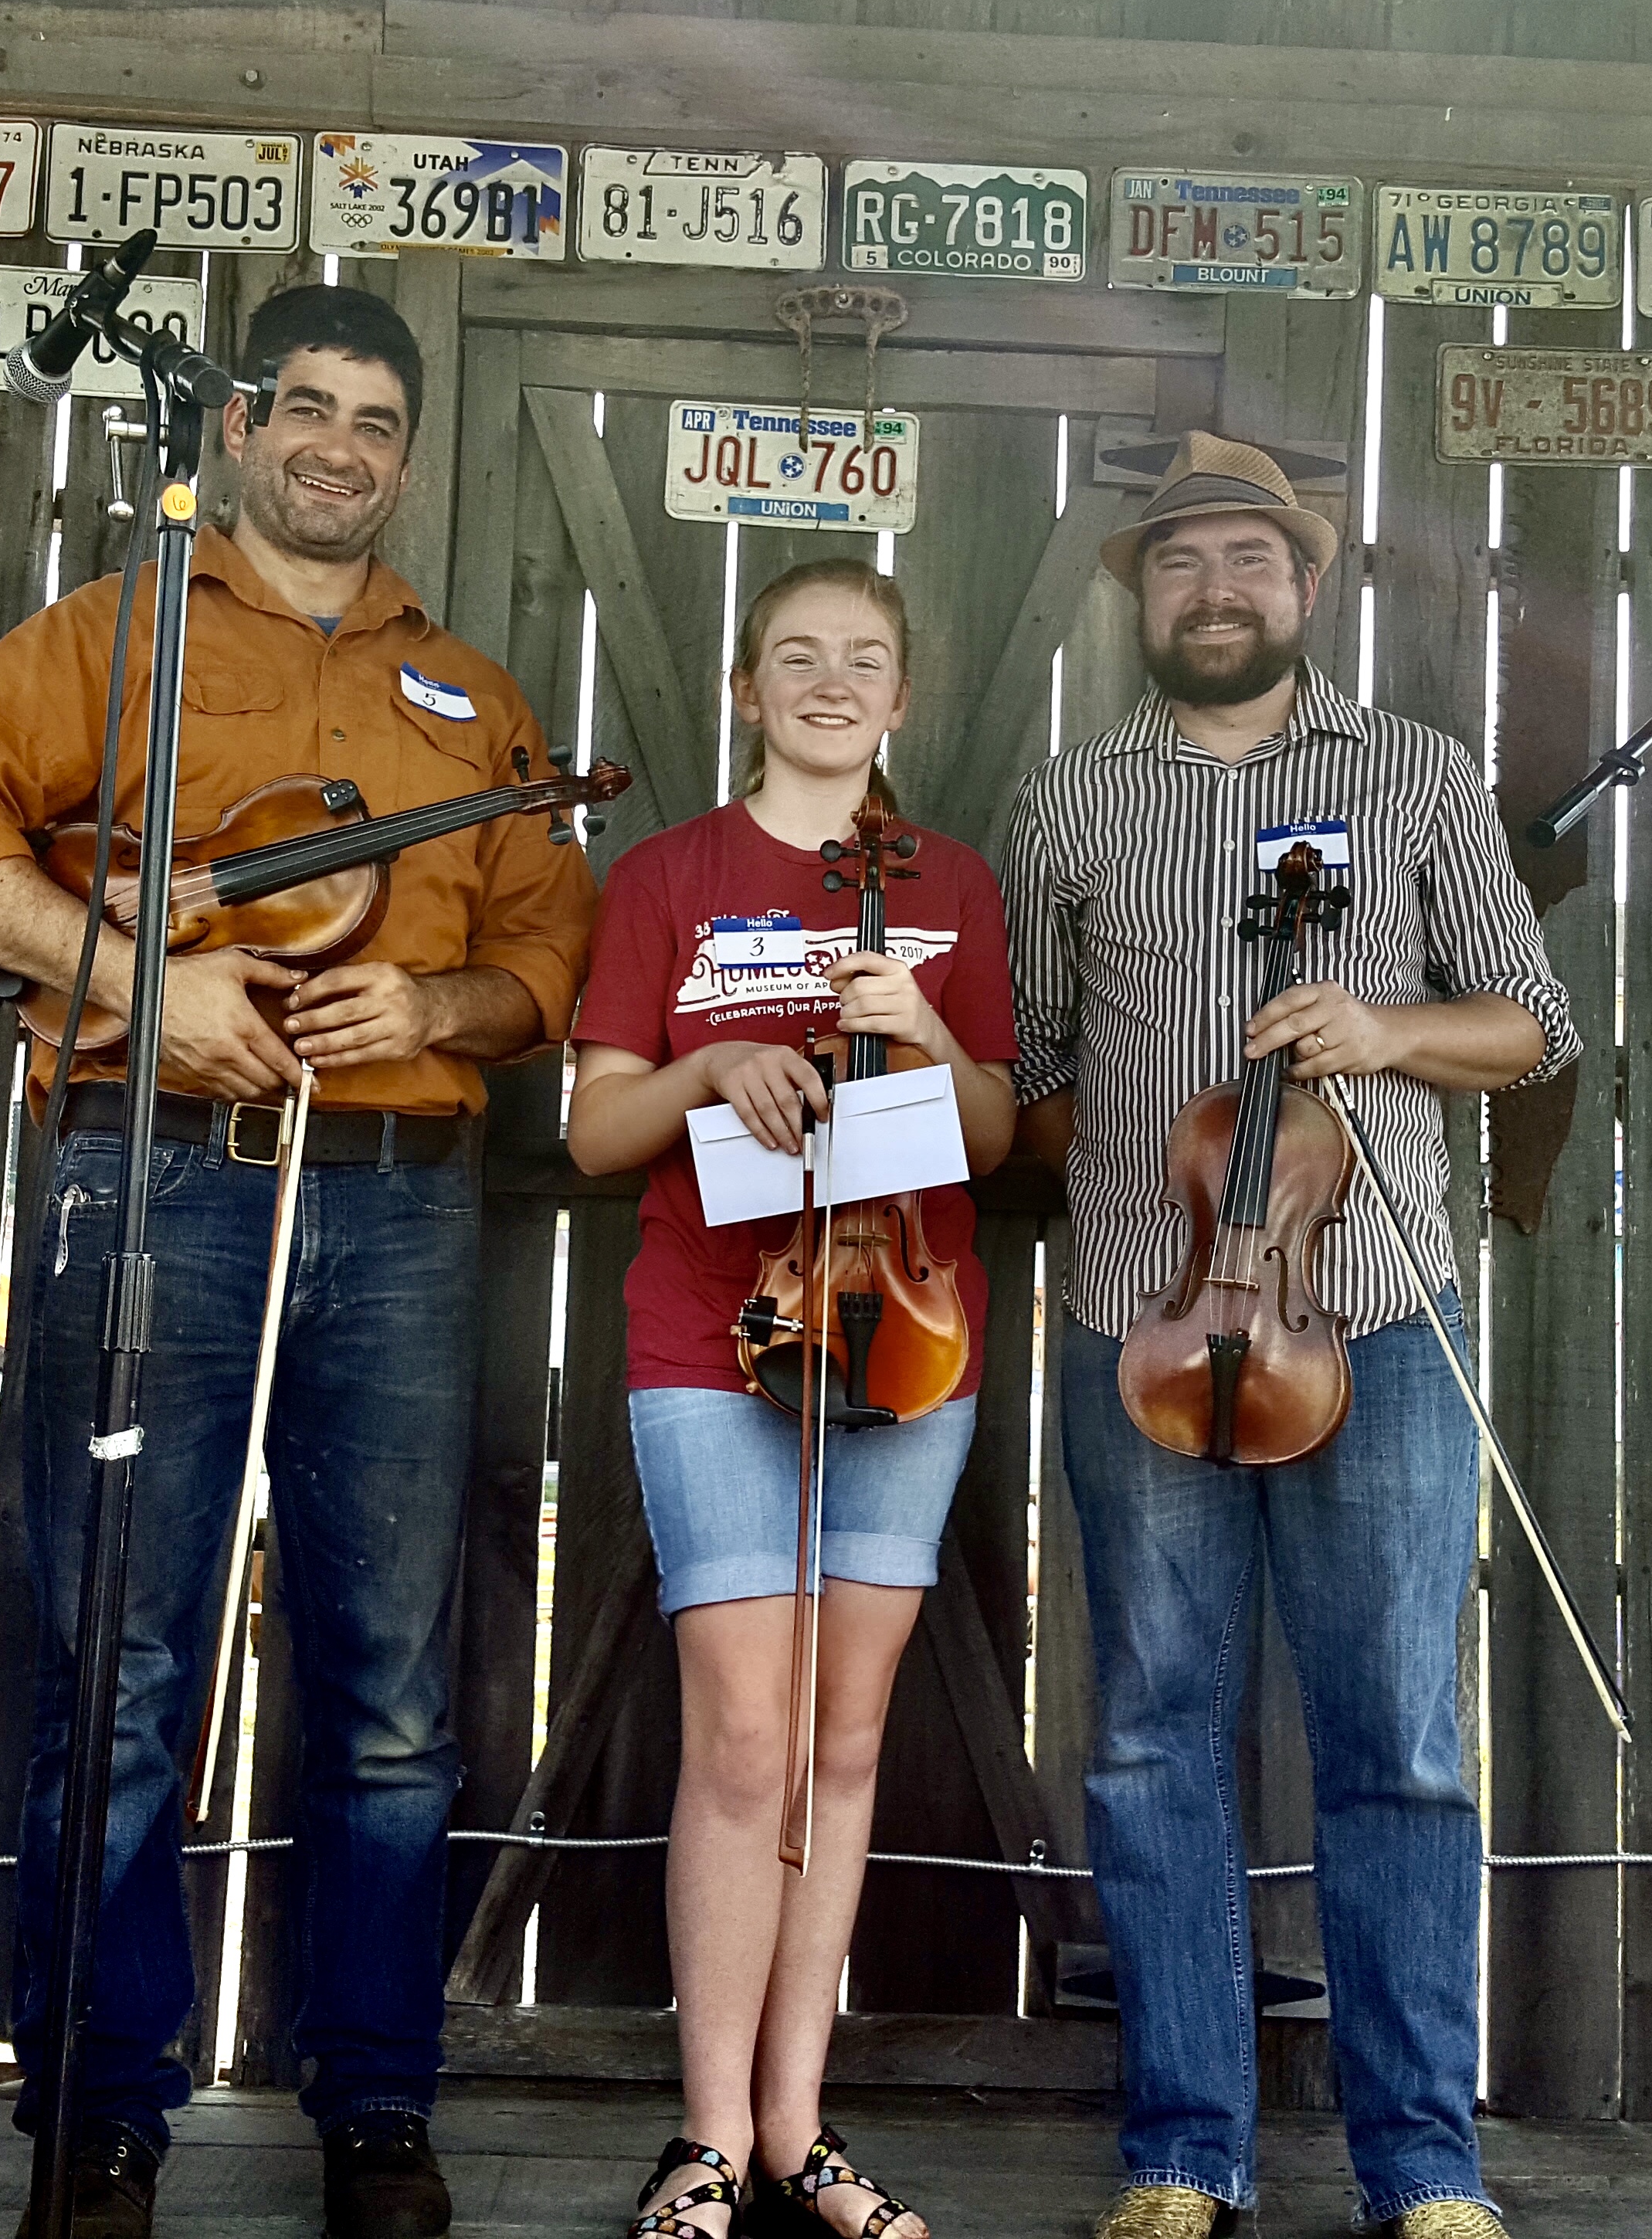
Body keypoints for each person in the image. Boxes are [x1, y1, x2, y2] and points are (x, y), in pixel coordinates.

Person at [0, 283, 599, 2239]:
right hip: (152, 1182)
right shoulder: (122, 631)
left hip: (399, 1207)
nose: (339, 444)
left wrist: (436, 994)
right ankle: (99, 2123)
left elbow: (541, 965)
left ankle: (376, 2116)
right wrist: (133, 981)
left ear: (405, 458)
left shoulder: (476, 696)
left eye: (376, 419)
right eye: (309, 408)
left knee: (387, 1688)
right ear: (244, 424)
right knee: (118, 1665)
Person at [1001, 434, 1576, 2239]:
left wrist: (1390, 1034)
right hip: (1140, 1314)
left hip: (1372, 1314)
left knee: (1395, 1736)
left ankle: (1427, 2170)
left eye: (1251, 557)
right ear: (1138, 594)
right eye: (1181, 562)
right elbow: (1026, 1069)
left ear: (1304, 586)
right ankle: (1185, 2154)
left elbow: (1531, 1029)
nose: (1217, 587)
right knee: (1153, 1737)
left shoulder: (1411, 775)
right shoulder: (1068, 804)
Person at [565, 560, 1018, 2239]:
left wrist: (923, 1030)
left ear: (902, 699)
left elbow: (992, 1140)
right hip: (711, 1331)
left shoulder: (951, 886)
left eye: (867, 661)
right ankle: (703, 2136)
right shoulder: (668, 879)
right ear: (746, 689)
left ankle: (795, 2131)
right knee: (744, 1737)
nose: (832, 682)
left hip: (905, 1342)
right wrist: (707, 1067)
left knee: (842, 1739)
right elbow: (599, 1134)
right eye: (797, 657)